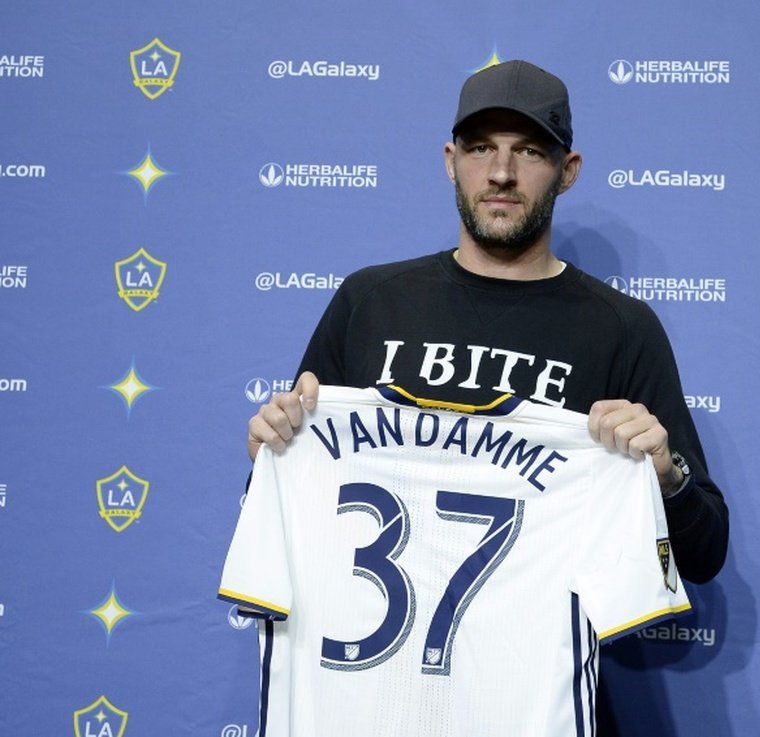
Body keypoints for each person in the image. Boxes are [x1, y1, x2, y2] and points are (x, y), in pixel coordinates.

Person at [246, 58, 728, 727]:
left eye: (529, 151)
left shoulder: (621, 329)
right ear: (451, 160)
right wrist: (271, 455)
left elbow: (705, 554)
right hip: (366, 706)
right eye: (481, 149)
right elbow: (288, 513)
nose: (501, 173)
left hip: (530, 710)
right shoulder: (369, 303)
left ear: (569, 169)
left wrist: (665, 475)